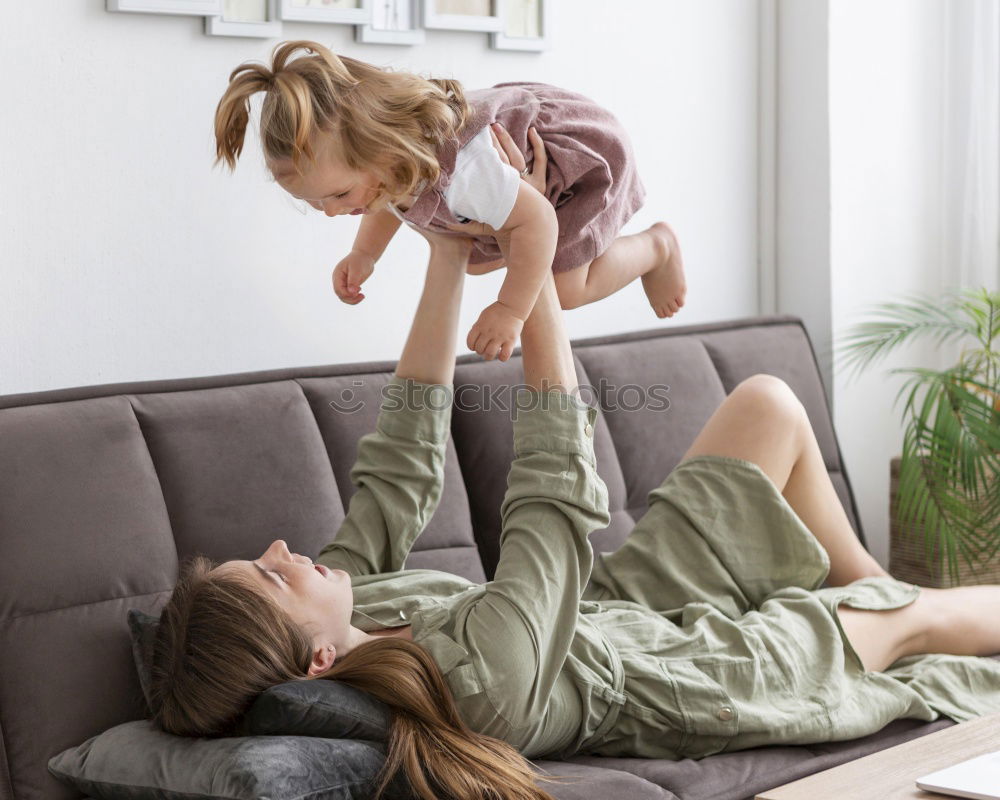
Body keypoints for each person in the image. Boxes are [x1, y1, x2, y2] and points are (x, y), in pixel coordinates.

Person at [151, 119, 1000, 800]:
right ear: (320, 664)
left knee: (766, 408)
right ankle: (884, 610)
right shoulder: (477, 686)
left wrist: (446, 249)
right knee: (913, 622)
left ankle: (864, 582)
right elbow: (553, 499)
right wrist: (533, 244)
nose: (278, 551)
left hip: (622, 605)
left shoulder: (350, 599)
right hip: (689, 677)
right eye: (268, 577)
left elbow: (401, 464)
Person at [213, 40, 687, 363]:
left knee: (564, 289)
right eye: (317, 204)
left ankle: (656, 247)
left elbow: (538, 219)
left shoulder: (467, 171)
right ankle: (521, 236)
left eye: (337, 195)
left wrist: (510, 311)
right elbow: (385, 203)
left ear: (384, 149)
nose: (333, 211)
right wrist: (365, 254)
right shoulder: (387, 162)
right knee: (475, 260)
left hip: (575, 151)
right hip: (506, 176)